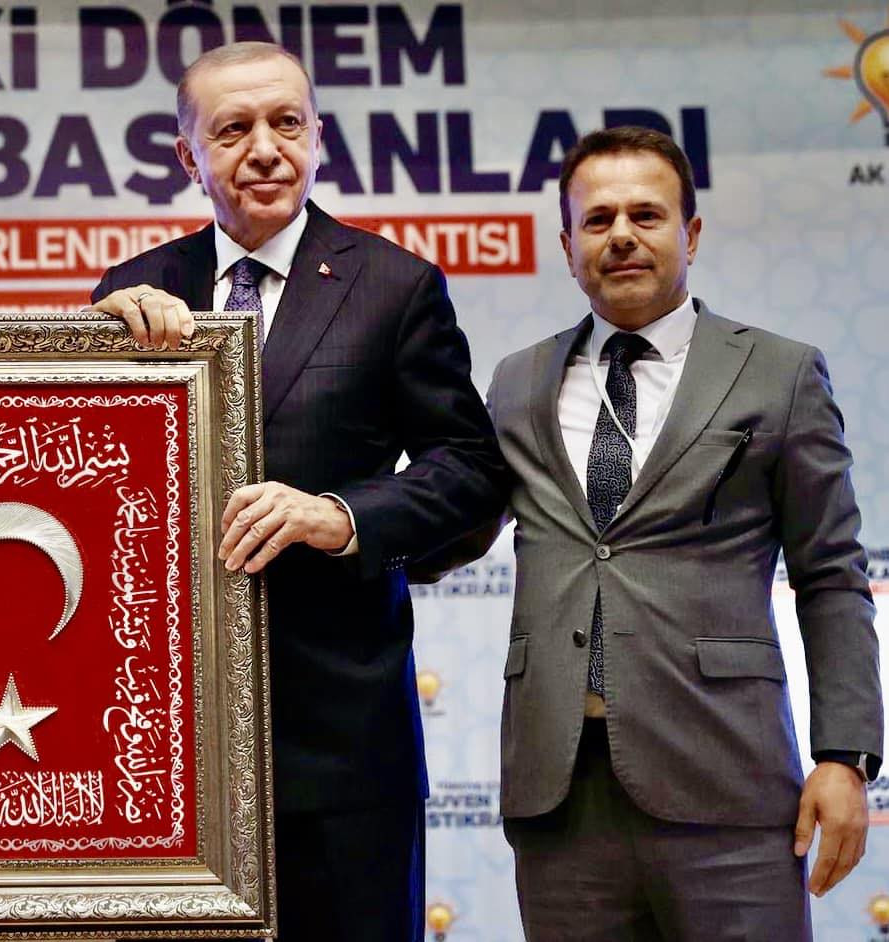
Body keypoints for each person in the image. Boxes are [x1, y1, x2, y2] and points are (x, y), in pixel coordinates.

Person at [90, 41, 499, 942]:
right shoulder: (129, 293)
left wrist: (339, 515)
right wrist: (91, 347)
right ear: (188, 156)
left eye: (286, 123)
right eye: (232, 130)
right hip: (162, 747)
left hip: (341, 742)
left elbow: (470, 469)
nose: (264, 149)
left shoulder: (394, 286)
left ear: (318, 138)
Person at [487, 126, 882, 939]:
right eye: (597, 220)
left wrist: (843, 756)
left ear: (690, 234)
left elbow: (830, 575)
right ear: (566, 247)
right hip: (559, 796)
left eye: (645, 215)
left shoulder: (777, 372)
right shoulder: (516, 381)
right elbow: (449, 521)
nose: (620, 236)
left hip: (727, 783)